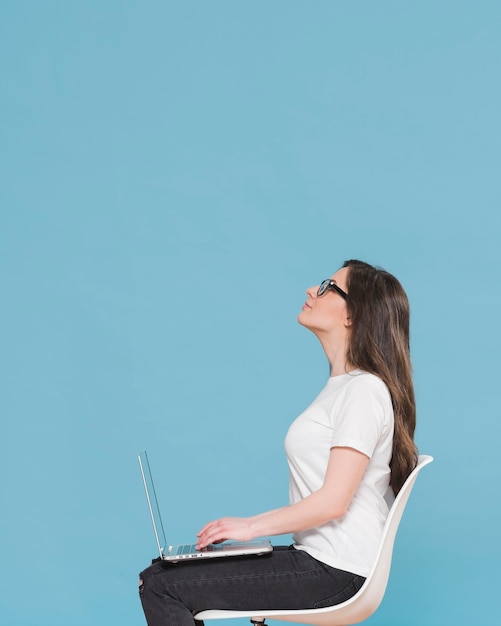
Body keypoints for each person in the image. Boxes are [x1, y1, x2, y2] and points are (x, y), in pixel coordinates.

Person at [138, 259, 418, 625]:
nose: (310, 290)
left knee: (162, 585)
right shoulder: (345, 388)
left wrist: (249, 528)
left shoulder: (363, 390)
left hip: (336, 570)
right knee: (161, 575)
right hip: (320, 560)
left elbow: (334, 501)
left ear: (353, 315)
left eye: (327, 286)